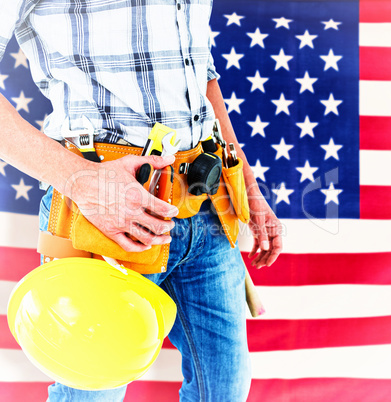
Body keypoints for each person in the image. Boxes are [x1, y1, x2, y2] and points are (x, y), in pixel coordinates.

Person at [0, 1, 282, 401]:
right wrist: (81, 182)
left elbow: (202, 74)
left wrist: (247, 186)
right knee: (90, 392)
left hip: (207, 208)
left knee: (223, 391)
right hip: (106, 212)